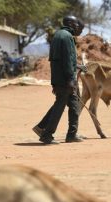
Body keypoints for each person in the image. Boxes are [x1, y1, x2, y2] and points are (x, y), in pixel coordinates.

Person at [33, 16, 86, 144]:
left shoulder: (59, 35)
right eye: (75, 24)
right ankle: (46, 135)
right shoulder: (66, 37)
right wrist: (70, 79)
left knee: (74, 105)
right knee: (59, 106)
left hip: (61, 77)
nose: (77, 26)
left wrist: (78, 66)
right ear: (69, 23)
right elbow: (67, 61)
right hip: (65, 79)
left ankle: (71, 134)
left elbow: (64, 59)